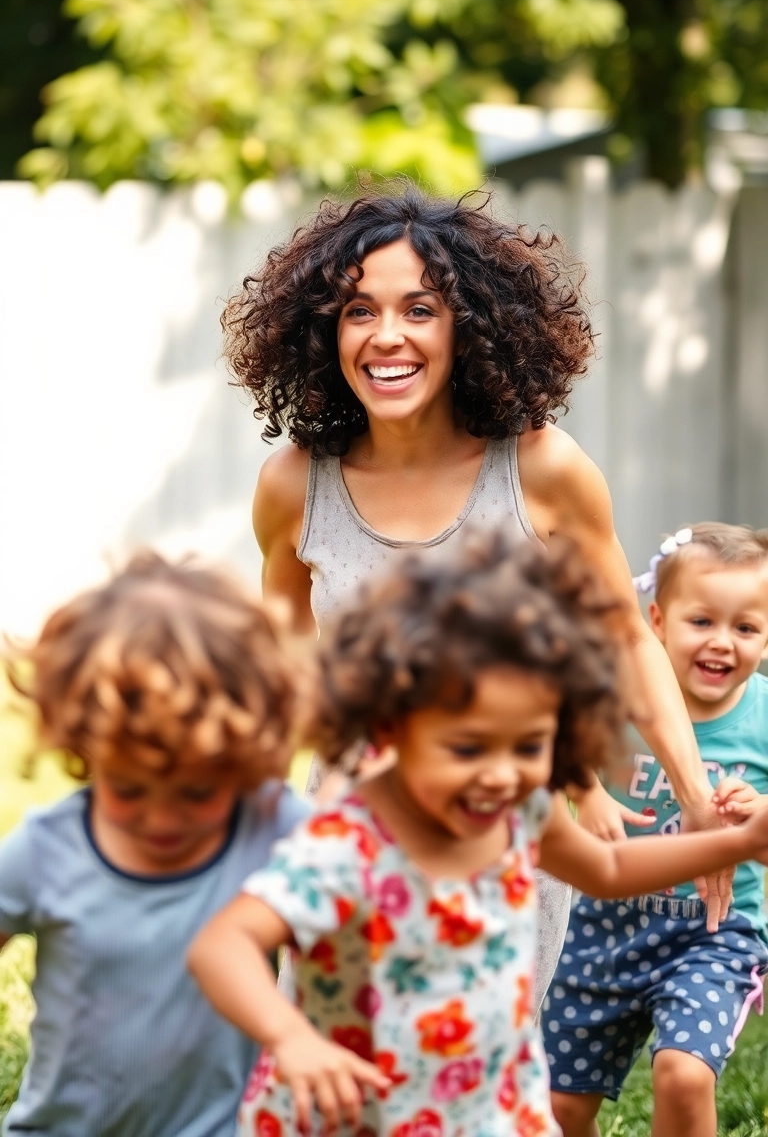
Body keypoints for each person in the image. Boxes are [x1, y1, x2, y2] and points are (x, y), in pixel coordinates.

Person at [222, 186, 732, 1015]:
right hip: (351, 840)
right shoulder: (293, 488)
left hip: (504, 839)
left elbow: (627, 643)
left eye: (420, 309)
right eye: (359, 311)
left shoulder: (542, 469)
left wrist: (701, 800)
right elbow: (281, 681)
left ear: (468, 324)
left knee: (477, 1080)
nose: (387, 337)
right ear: (325, 331)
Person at [189, 533, 768, 1137]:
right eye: (467, 747)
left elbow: (609, 870)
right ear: (392, 722)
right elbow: (222, 947)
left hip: (486, 1106)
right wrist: (288, 1038)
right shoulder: (351, 839)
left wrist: (739, 843)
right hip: (362, 1112)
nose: (499, 774)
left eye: (530, 746)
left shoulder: (520, 809)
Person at [0, 552, 311, 1137]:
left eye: (197, 791)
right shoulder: (47, 850)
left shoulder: (274, 829)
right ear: (87, 749)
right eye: (129, 789)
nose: (162, 818)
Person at [545, 522, 768, 1137]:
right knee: (560, 1106)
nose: (722, 643)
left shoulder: (765, 716)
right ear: (657, 620)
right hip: (597, 925)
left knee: (684, 1075)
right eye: (703, 622)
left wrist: (757, 810)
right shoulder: (622, 699)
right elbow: (551, 736)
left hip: (714, 932)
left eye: (746, 628)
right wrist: (585, 791)